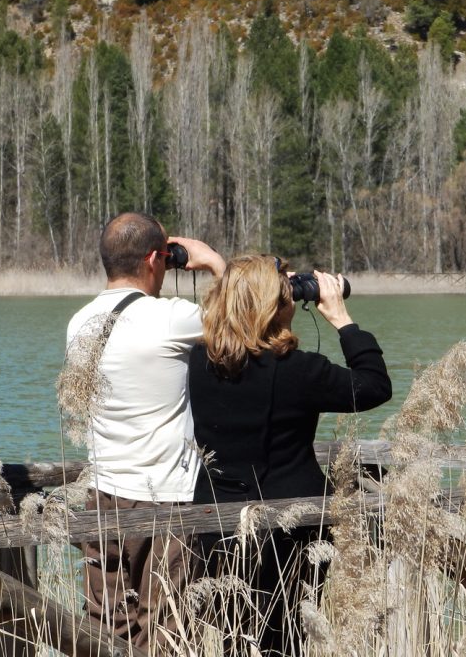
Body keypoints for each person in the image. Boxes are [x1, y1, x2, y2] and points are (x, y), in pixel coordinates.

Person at [188, 255, 393, 655]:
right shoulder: (298, 370)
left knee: (236, 635)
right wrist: (342, 319)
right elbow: (374, 386)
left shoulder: (201, 359)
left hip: (217, 522)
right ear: (276, 306)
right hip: (289, 528)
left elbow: (236, 313)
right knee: (284, 638)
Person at [65, 211, 225, 651]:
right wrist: (214, 264)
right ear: (157, 259)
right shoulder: (172, 318)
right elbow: (245, 322)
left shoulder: (79, 323)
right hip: (164, 498)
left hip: (102, 495)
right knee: (165, 626)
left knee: (106, 624)